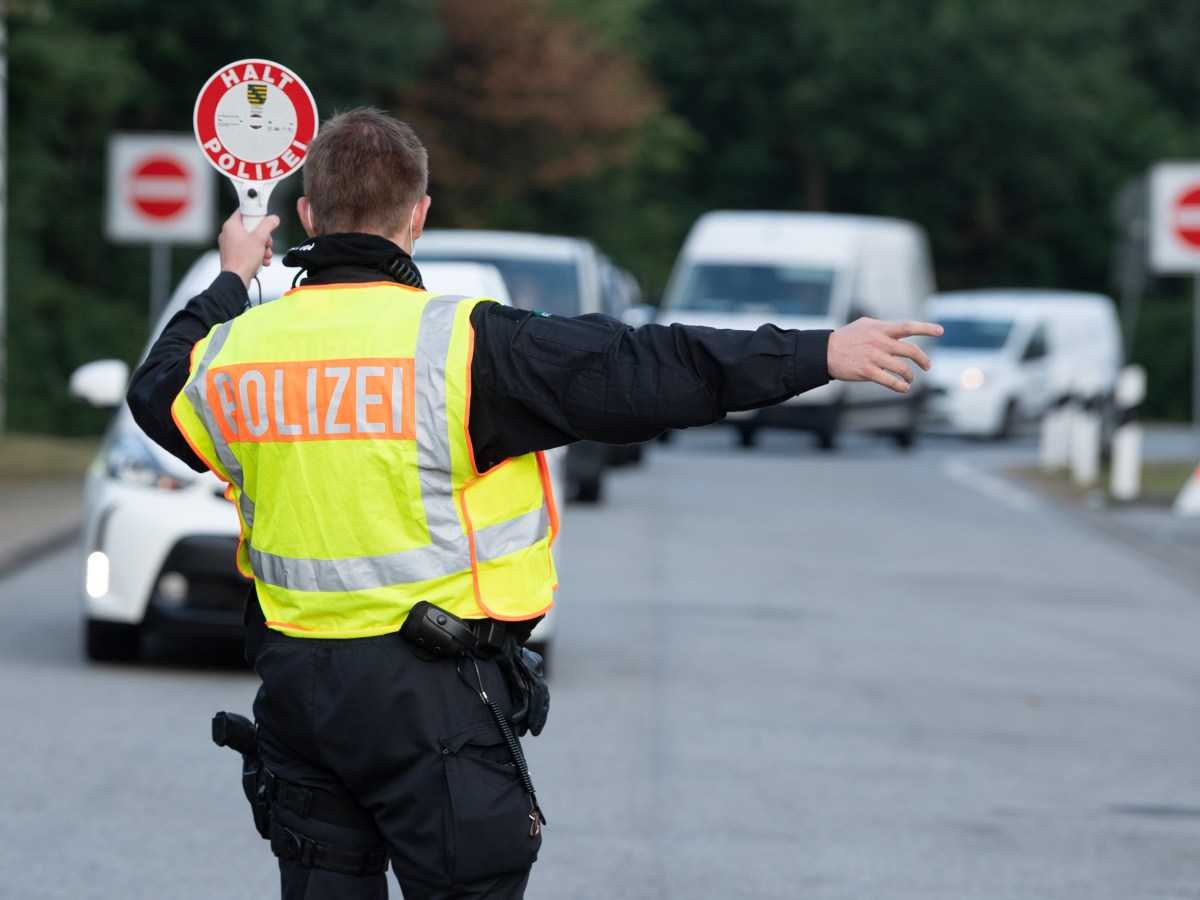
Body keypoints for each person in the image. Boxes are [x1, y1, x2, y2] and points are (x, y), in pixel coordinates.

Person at [126, 107, 942, 900]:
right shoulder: (467, 345)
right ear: (419, 216)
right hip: (430, 696)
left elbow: (156, 387)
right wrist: (818, 353)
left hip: (300, 693)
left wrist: (232, 276)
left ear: (306, 213)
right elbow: (647, 367)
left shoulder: (234, 353)